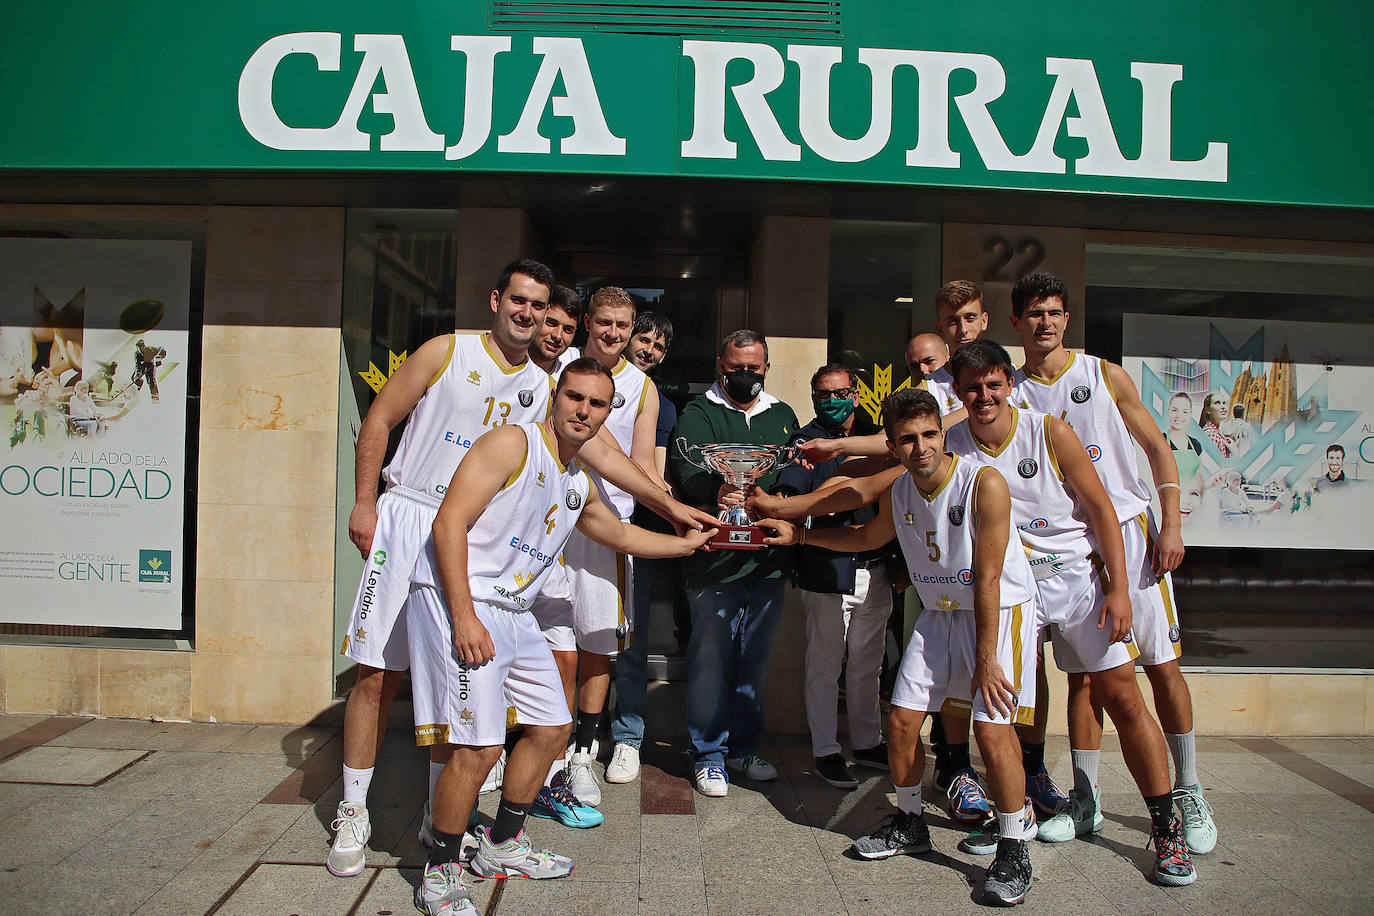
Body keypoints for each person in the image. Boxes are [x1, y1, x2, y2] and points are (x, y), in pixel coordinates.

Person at [330, 260, 711, 877]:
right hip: (409, 515)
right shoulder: (446, 350)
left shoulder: (548, 381)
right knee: (376, 676)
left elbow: (606, 455)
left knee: (453, 697)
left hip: (471, 538)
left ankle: (439, 818)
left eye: (541, 307)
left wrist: (673, 510)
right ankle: (353, 809)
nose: (530, 314)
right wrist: (365, 499)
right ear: (495, 299)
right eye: (522, 301)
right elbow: (379, 419)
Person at [407, 358, 715, 916]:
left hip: (515, 609)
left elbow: (619, 532)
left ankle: (502, 845)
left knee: (552, 728)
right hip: (464, 601)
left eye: (597, 404)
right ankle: (443, 870)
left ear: (607, 414)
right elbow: (447, 523)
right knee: (479, 747)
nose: (584, 411)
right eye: (575, 397)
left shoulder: (578, 481)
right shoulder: (510, 444)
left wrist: (687, 543)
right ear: (556, 396)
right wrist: (463, 616)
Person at [759, 388, 1039, 906]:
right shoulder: (902, 488)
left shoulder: (985, 482)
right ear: (892, 444)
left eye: (929, 435)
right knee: (902, 721)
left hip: (998, 613)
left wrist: (987, 656)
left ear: (942, 433)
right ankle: (911, 822)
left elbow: (991, 577)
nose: (921, 447)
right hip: (940, 613)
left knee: (991, 728)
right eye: (907, 440)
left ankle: (1015, 844)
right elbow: (867, 537)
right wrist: (800, 537)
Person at [946, 339, 1196, 886]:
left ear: (1010, 384)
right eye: (972, 388)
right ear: (959, 394)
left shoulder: (1048, 430)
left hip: (1074, 578)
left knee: (1123, 696)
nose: (984, 396)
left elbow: (1103, 509)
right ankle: (1016, 816)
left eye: (993, 384)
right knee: (1001, 709)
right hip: (1010, 589)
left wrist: (1121, 590)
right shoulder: (951, 441)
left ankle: (1166, 826)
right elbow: (889, 451)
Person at [1009, 271, 1216, 855]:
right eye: (1034, 314)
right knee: (1084, 678)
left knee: (1161, 666)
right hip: (1074, 548)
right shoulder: (1013, 393)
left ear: (1066, 319)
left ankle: (1189, 789)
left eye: (1054, 312)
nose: (1045, 322)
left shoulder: (1102, 374)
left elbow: (1159, 448)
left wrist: (1171, 523)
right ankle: (1086, 797)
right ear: (1017, 323)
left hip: (1131, 534)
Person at [669, 329, 800, 797]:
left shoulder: (782, 415)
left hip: (766, 562)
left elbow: (793, 472)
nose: (745, 376)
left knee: (754, 661)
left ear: (766, 367)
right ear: (719, 365)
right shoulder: (699, 412)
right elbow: (686, 469)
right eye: (735, 368)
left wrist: (779, 498)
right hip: (714, 563)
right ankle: (708, 754)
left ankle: (744, 747)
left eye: (754, 368)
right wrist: (716, 491)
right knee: (711, 661)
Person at [554, 287, 667, 808]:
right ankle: (543, 746)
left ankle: (582, 751)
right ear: (587, 323)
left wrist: (672, 509)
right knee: (548, 641)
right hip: (550, 522)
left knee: (601, 641)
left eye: (623, 325)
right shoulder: (559, 371)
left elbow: (642, 464)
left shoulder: (642, 386)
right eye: (604, 323)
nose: (614, 334)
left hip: (608, 527)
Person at [770, 364, 895, 789]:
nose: (830, 401)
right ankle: (825, 750)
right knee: (825, 664)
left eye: (838, 393)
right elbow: (794, 494)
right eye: (821, 394)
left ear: (856, 395)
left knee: (868, 665)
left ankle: (867, 742)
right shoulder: (804, 442)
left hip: (876, 567)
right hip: (826, 567)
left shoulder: (882, 436)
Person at [608, 311, 678, 784]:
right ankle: (566, 735)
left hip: (634, 530)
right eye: (644, 338)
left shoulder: (661, 404)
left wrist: (678, 511)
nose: (648, 349)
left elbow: (653, 469)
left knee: (630, 639)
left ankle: (627, 737)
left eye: (659, 346)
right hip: (571, 525)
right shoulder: (572, 375)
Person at [528, 285, 581, 374]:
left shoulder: (575, 371)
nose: (557, 336)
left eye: (567, 329)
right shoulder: (507, 362)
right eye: (551, 323)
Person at [1198, 391, 1232, 456]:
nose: (1223, 407)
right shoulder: (1211, 434)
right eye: (1217, 403)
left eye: (1224, 403)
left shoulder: (1216, 432)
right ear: (1208, 410)